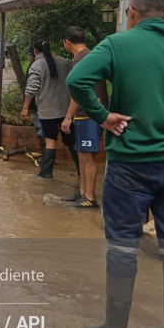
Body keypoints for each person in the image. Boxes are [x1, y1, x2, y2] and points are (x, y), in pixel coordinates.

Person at [67, 0, 164, 328]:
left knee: (123, 246)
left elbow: (78, 80)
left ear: (132, 13)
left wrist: (103, 117)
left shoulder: (117, 44)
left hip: (130, 164)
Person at [60, 26, 109, 208]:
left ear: (67, 41)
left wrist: (68, 116)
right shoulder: (89, 56)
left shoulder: (81, 60)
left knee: (88, 156)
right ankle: (82, 192)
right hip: (86, 114)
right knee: (82, 153)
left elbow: (78, 91)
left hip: (90, 113)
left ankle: (90, 197)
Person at [20, 40, 75, 179]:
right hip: (66, 109)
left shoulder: (36, 65)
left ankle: (46, 173)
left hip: (47, 111)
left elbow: (31, 89)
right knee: (71, 141)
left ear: (35, 51)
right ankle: (82, 172)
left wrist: (25, 107)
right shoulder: (64, 62)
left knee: (50, 140)